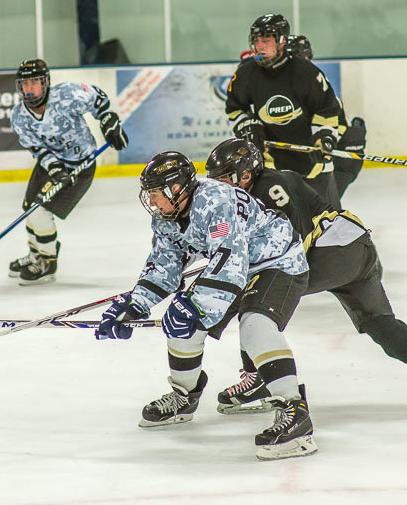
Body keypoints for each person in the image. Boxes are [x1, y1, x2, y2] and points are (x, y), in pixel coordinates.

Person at [204, 138, 407, 411]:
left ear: (246, 174)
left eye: (224, 179)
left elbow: (292, 246)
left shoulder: (270, 187)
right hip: (355, 251)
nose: (219, 188)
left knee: (253, 295)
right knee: (382, 326)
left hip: (331, 253)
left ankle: (258, 378)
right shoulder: (253, 192)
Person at [94, 150, 316, 461]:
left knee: (254, 324)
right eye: (150, 194)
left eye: (157, 193)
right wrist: (132, 307)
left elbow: (231, 264)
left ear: (177, 188)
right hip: (237, 265)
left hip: (278, 262)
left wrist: (193, 307)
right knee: (183, 325)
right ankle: (185, 396)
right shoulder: (166, 216)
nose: (153, 202)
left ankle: (296, 413)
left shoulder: (216, 201)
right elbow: (164, 266)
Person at [9, 58, 128, 285]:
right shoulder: (19, 116)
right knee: (29, 209)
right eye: (25, 83)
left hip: (80, 165)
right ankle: (36, 253)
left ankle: (47, 262)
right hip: (51, 164)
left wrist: (109, 122)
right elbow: (37, 148)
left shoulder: (68, 95)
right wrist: (54, 168)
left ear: (46, 83)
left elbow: (99, 99)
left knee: (40, 212)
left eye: (34, 82)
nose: (29, 89)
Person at [225, 14, 343, 208]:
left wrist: (324, 136)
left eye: (266, 40)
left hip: (314, 165)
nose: (259, 46)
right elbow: (234, 107)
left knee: (329, 227)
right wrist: (245, 124)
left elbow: (327, 108)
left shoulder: (306, 72)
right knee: (280, 229)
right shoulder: (246, 73)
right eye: (256, 40)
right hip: (271, 166)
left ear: (282, 41)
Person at [285, 34, 366, 199]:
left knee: (324, 212)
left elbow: (333, 129)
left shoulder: (315, 85)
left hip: (340, 159)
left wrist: (323, 142)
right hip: (321, 161)